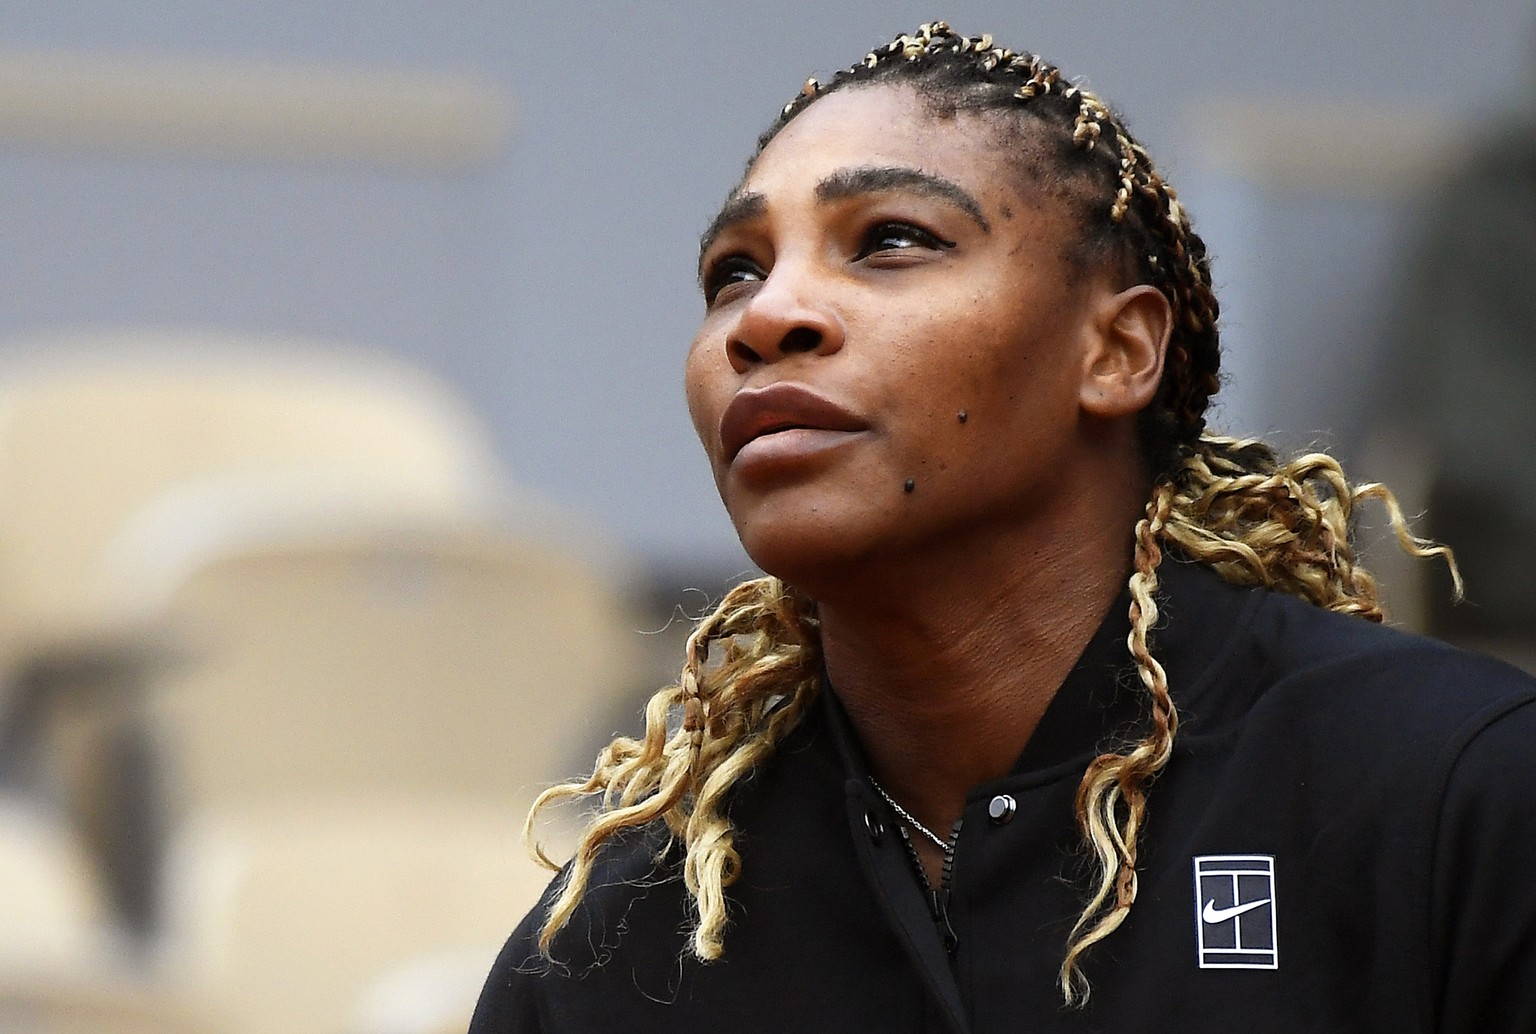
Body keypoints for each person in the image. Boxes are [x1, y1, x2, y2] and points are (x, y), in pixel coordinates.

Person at [471, 22, 1536, 1032]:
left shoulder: (1455, 793)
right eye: (732, 272)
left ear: (1117, 350)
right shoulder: (617, 945)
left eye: (889, 240)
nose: (764, 316)